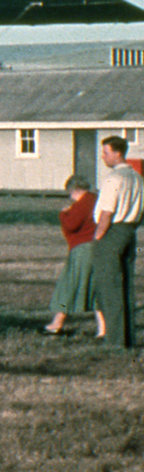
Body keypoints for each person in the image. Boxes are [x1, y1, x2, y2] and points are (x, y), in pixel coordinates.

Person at [92, 136, 143, 348]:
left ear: (117, 153)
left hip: (112, 232)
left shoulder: (114, 179)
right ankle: (127, 338)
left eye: (106, 152)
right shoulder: (137, 178)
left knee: (109, 287)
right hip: (129, 232)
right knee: (125, 287)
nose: (103, 157)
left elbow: (107, 211)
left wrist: (98, 235)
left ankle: (114, 340)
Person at [44, 176, 101, 336]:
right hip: (97, 247)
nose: (71, 197)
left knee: (68, 286)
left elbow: (71, 225)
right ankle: (103, 329)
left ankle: (57, 324)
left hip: (82, 249)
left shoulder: (81, 204)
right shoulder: (96, 199)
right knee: (96, 288)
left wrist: (63, 214)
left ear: (74, 190)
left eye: (71, 193)